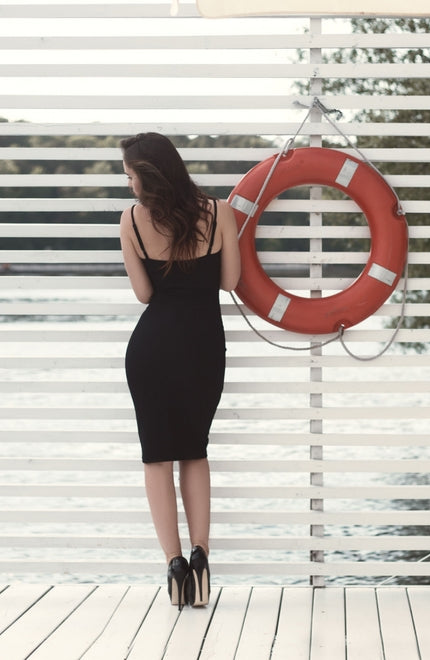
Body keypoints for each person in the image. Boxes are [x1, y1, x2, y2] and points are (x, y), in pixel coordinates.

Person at [119, 133, 241, 609]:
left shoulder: (130, 220)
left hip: (150, 349)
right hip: (204, 346)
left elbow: (144, 295)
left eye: (129, 175)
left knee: (157, 458)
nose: (128, 184)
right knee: (195, 451)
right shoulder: (219, 212)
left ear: (146, 176)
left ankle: (172, 566)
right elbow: (229, 281)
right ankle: (201, 556)